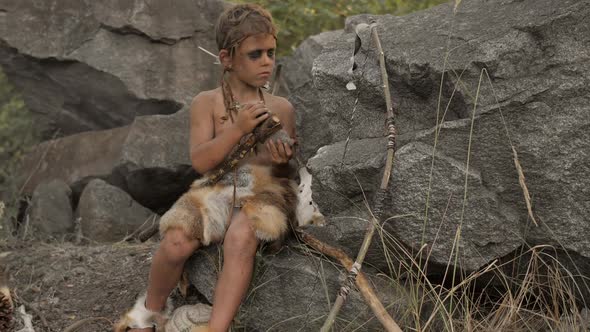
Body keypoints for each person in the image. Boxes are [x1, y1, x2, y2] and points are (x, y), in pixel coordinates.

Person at [115, 3, 297, 332]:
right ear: (227, 59)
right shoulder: (207, 103)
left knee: (241, 236)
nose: (267, 61)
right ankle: (150, 311)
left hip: (265, 190)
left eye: (271, 52)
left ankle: (217, 327)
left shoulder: (281, 107)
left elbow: (285, 175)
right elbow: (200, 161)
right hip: (217, 185)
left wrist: (281, 161)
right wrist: (237, 128)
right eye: (255, 54)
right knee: (176, 241)